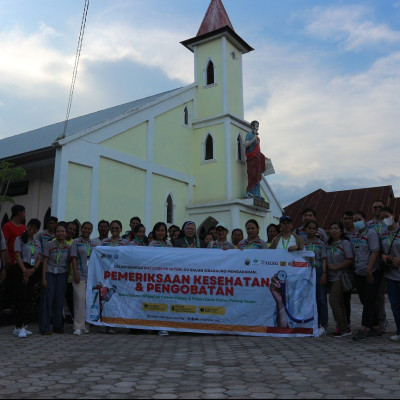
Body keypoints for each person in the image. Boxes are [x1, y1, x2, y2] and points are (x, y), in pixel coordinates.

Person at [351, 211, 382, 341]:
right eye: (355, 220)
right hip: (359, 272)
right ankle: (375, 327)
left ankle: (363, 328)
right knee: (366, 300)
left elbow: (375, 251)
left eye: (359, 219)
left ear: (365, 220)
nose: (357, 222)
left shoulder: (371, 233)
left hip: (371, 272)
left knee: (369, 299)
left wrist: (369, 268)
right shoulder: (355, 235)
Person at [39, 222, 70, 335]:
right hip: (49, 274)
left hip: (62, 275)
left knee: (59, 301)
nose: (60, 233)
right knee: (47, 300)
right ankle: (45, 327)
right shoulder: (49, 244)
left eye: (63, 231)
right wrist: (43, 278)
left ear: (66, 233)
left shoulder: (68, 246)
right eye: (58, 231)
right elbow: (45, 261)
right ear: (55, 233)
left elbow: (69, 263)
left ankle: (58, 326)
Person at [13, 219, 42, 338]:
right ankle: (20, 326)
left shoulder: (37, 242)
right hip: (20, 270)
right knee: (22, 299)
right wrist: (25, 271)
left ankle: (21, 326)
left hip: (32, 270)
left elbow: (39, 257)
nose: (32, 229)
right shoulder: (19, 239)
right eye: (31, 226)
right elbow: (17, 255)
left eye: (35, 228)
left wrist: (33, 269)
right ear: (27, 226)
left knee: (29, 298)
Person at [70, 221, 98, 336]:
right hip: (79, 276)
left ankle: (86, 325)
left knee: (88, 302)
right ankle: (77, 326)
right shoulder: (76, 242)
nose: (87, 231)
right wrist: (75, 273)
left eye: (89, 229)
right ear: (81, 229)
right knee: (79, 301)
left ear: (92, 230)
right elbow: (73, 259)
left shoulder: (94, 244)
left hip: (91, 277)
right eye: (85, 228)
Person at [326, 222, 354, 337]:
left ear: (341, 231)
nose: (333, 230)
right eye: (331, 228)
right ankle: (344, 327)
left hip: (340, 276)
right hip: (330, 277)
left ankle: (342, 327)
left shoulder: (345, 243)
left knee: (333, 302)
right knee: (340, 302)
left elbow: (350, 259)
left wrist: (336, 267)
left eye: (336, 228)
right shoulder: (329, 244)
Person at [367, 200, 389, 333]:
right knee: (374, 295)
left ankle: (382, 321)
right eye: (375, 207)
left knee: (382, 296)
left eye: (380, 207)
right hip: (373, 262)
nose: (377, 209)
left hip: (387, 261)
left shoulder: (388, 223)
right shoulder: (368, 225)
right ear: (371, 209)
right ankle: (373, 322)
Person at [303, 220, 328, 336]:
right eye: (309, 228)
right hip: (305, 271)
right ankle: (309, 323)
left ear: (317, 230)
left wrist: (324, 273)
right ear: (305, 229)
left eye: (314, 229)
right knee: (306, 297)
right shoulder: (301, 242)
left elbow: (324, 259)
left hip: (317, 271)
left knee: (321, 298)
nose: (311, 230)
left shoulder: (321, 243)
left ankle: (323, 324)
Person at [379, 207, 400, 342]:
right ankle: (399, 330)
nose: (385, 219)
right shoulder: (383, 234)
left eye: (386, 216)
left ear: (393, 216)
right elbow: (380, 251)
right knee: (395, 304)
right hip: (391, 275)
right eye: (382, 218)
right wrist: (385, 258)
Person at [2, 204, 26, 313]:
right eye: (23, 212)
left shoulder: (23, 228)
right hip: (10, 260)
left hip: (20, 261)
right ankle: (6, 306)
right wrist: (6, 260)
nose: (24, 215)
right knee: (9, 284)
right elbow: (4, 244)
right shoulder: (7, 226)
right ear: (19, 213)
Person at [341, 210, 357, 328]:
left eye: (349, 218)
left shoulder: (359, 232)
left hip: (360, 267)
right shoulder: (341, 234)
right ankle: (347, 322)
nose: (347, 221)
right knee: (345, 297)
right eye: (344, 218)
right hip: (346, 269)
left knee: (366, 297)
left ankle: (373, 323)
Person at [244, 120, 266, 199]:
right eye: (256, 126)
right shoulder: (249, 135)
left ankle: (257, 194)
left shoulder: (258, 138)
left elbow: (257, 150)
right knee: (252, 175)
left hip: (257, 160)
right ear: (252, 126)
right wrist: (254, 138)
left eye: (258, 127)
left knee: (257, 176)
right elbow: (246, 145)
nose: (257, 128)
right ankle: (249, 192)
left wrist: (262, 157)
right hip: (251, 159)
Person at [65, 221, 80, 324]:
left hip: (71, 276)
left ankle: (75, 318)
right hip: (60, 274)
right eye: (70, 229)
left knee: (71, 299)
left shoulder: (75, 242)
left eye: (74, 230)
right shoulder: (56, 241)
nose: (71, 231)